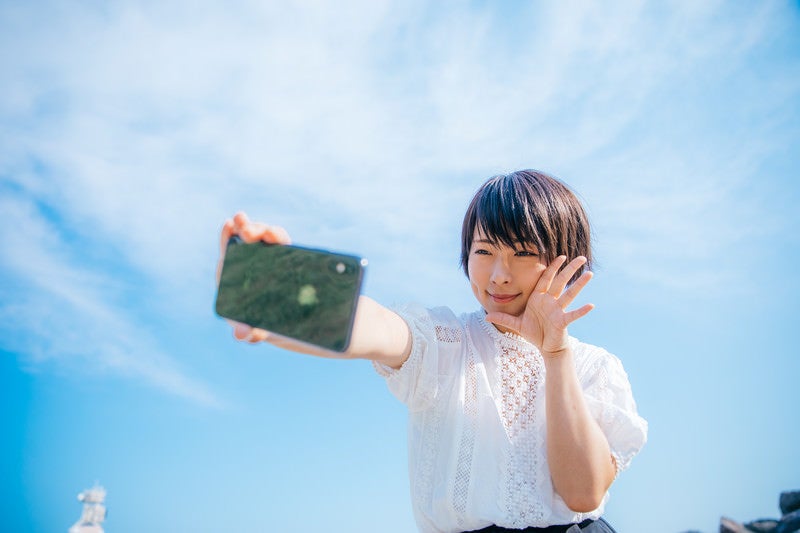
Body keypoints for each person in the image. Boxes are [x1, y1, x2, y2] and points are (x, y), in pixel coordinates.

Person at [217, 169, 648, 533]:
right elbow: (380, 329)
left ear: (566, 261)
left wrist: (555, 355)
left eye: (523, 253)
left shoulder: (595, 367)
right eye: (484, 251)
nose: (498, 274)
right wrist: (278, 300)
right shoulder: (447, 340)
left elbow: (583, 493)